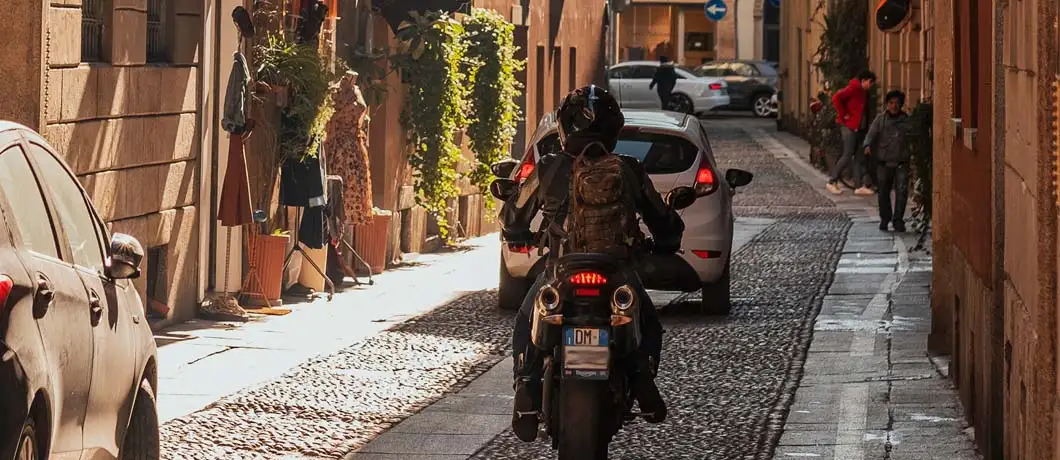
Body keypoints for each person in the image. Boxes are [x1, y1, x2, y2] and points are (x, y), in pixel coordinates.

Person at [500, 85, 685, 442]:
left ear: (564, 129)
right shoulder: (628, 169)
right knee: (648, 321)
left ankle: (526, 392)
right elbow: (663, 221)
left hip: (561, 270)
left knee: (527, 319)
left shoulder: (549, 168)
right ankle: (644, 384)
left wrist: (517, 232)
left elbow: (514, 215)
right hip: (616, 271)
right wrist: (666, 241)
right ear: (614, 129)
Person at [863, 90, 912, 232]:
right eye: (891, 103)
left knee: (902, 192)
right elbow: (871, 134)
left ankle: (898, 220)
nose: (894, 106)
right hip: (883, 162)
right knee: (883, 192)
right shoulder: (880, 120)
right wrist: (867, 145)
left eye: (897, 103)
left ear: (901, 104)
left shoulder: (907, 120)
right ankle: (885, 218)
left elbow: (913, 137)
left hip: (901, 161)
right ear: (887, 104)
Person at [826, 70, 877, 196]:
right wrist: (844, 116)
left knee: (858, 157)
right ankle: (832, 181)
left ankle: (859, 186)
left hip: (858, 128)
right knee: (848, 154)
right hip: (849, 127)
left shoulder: (863, 92)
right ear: (864, 80)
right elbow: (836, 97)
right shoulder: (854, 88)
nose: (871, 85)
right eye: (870, 82)